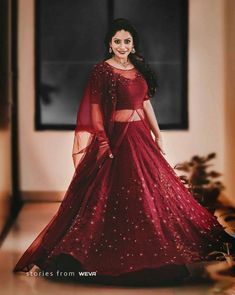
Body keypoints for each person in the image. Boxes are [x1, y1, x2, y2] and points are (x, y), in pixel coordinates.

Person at [13, 18, 234, 286]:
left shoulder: (138, 69)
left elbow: (145, 104)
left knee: (155, 191)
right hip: (116, 139)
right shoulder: (101, 71)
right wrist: (103, 140)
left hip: (140, 136)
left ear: (133, 44)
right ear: (109, 43)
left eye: (127, 41)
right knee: (111, 194)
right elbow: (94, 108)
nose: (122, 46)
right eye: (117, 41)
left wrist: (158, 133)